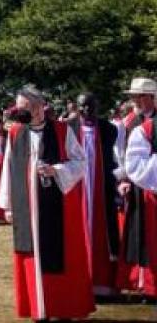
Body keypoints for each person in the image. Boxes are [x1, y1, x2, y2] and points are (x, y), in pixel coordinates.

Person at [0, 87, 94, 321]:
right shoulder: (15, 133)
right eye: (21, 109)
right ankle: (38, 310)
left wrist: (56, 170)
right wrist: (8, 205)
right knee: (32, 255)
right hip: (26, 208)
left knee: (57, 257)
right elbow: (8, 169)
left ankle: (61, 308)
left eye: (29, 108)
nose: (25, 113)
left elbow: (81, 162)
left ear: (41, 106)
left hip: (56, 206)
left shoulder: (62, 131)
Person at [74, 92, 122, 297]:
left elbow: (119, 157)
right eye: (82, 106)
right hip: (77, 189)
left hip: (102, 190)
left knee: (104, 231)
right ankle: (78, 282)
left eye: (90, 106)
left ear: (97, 106)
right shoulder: (68, 129)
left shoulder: (110, 130)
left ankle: (102, 284)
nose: (86, 110)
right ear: (76, 108)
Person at [118, 77, 157, 297]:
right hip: (136, 186)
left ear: (151, 97)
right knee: (137, 235)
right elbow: (122, 155)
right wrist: (123, 179)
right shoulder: (130, 122)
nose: (135, 100)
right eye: (133, 96)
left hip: (152, 186)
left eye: (139, 96)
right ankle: (140, 282)